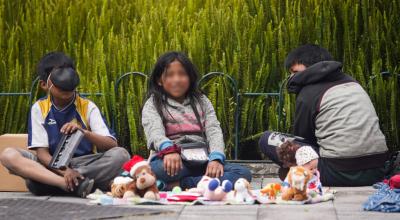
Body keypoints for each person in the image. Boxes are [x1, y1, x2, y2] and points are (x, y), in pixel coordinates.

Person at [0, 52, 130, 197]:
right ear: (44, 84)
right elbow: (42, 154)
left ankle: (59, 181)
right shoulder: (39, 108)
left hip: (84, 164)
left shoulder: (87, 106)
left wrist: (84, 132)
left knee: (121, 155)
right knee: (8, 155)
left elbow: (111, 145)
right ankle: (68, 184)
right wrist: (65, 171)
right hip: (51, 165)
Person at [259, 44, 388, 186]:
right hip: (378, 170)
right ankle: (298, 174)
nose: (291, 77)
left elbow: (304, 139)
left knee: (267, 139)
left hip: (336, 172)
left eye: (294, 71)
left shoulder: (308, 93)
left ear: (309, 67)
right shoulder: (353, 83)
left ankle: (301, 175)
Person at [142, 51, 252, 190]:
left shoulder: (202, 101)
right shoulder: (153, 103)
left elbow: (213, 130)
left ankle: (180, 185)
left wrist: (216, 159)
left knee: (243, 174)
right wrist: (169, 150)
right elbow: (154, 132)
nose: (177, 79)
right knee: (155, 171)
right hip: (172, 161)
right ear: (159, 80)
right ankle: (205, 182)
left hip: (202, 161)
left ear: (190, 77)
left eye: (182, 74)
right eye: (170, 75)